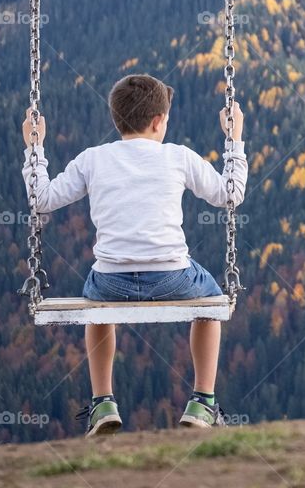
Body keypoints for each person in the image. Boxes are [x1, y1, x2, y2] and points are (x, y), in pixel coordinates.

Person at [21, 74, 247, 436]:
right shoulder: (178, 157)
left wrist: (35, 147)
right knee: (210, 300)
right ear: (159, 121)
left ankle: (103, 402)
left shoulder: (93, 159)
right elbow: (230, 193)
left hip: (111, 281)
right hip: (173, 277)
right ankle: (203, 401)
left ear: (116, 119)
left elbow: (41, 199)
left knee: (95, 307)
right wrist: (234, 141)